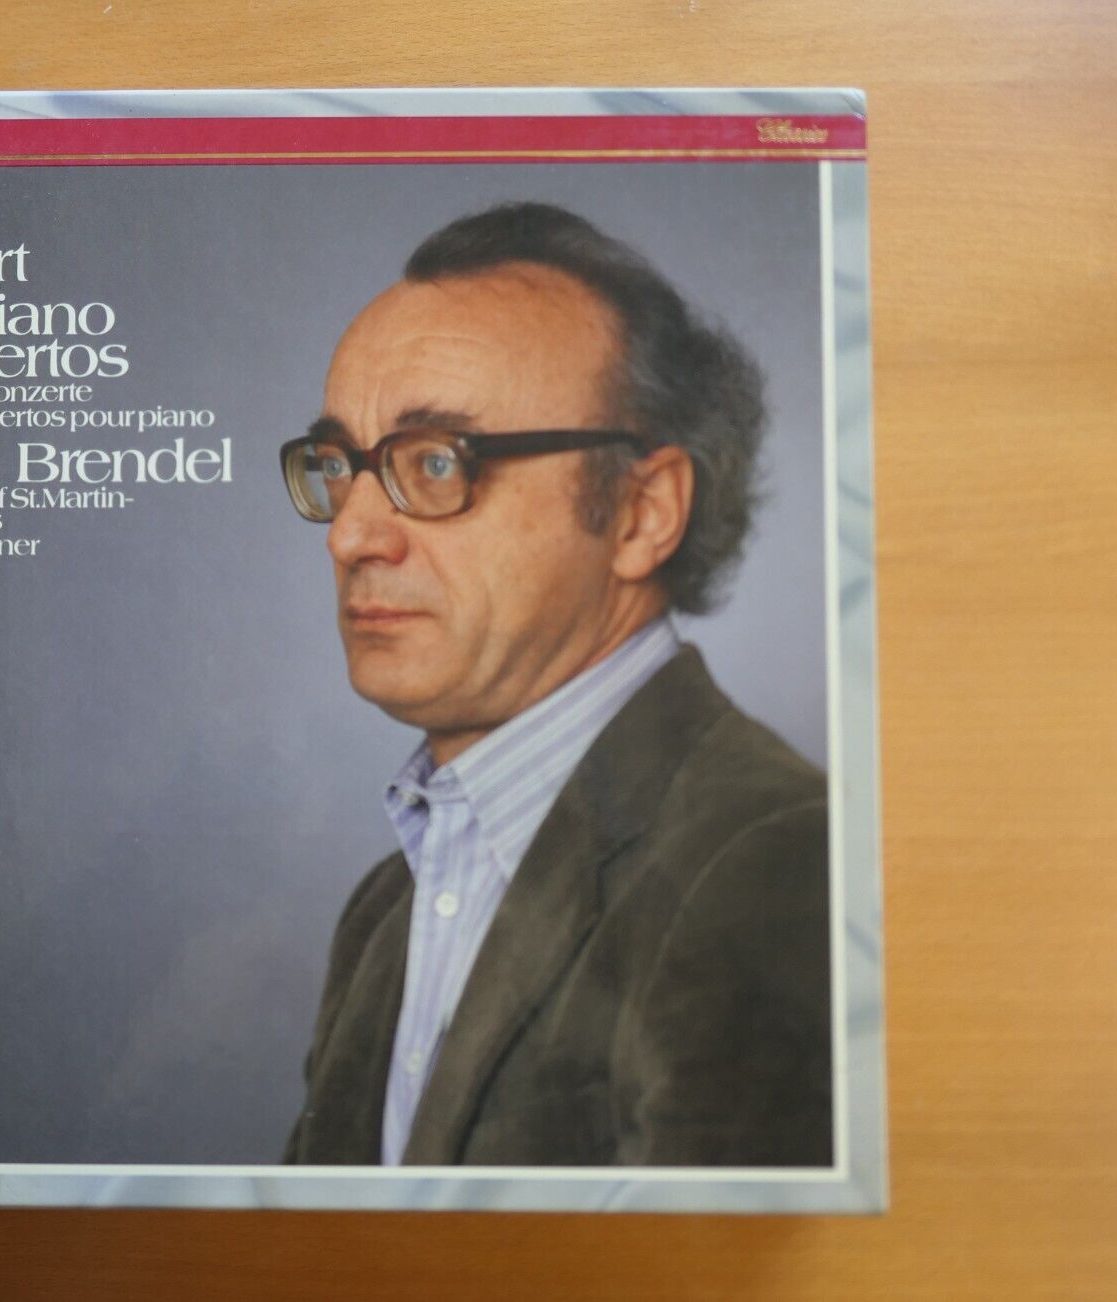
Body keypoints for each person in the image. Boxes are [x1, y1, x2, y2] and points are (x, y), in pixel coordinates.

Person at [280, 202, 832, 1167]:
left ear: (642, 512)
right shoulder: (386, 907)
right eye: (339, 466)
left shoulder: (774, 862)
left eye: (437, 462)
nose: (351, 534)